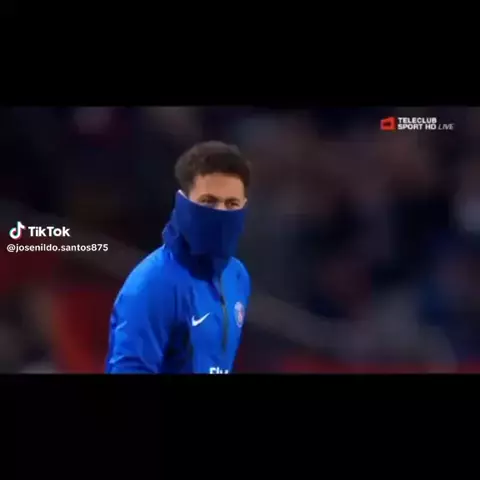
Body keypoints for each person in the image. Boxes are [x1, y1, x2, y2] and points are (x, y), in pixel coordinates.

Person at [105, 141, 251, 374]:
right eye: (208, 201)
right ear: (183, 201)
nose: (220, 213)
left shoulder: (237, 276)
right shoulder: (154, 282)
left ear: (244, 206)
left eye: (232, 204)